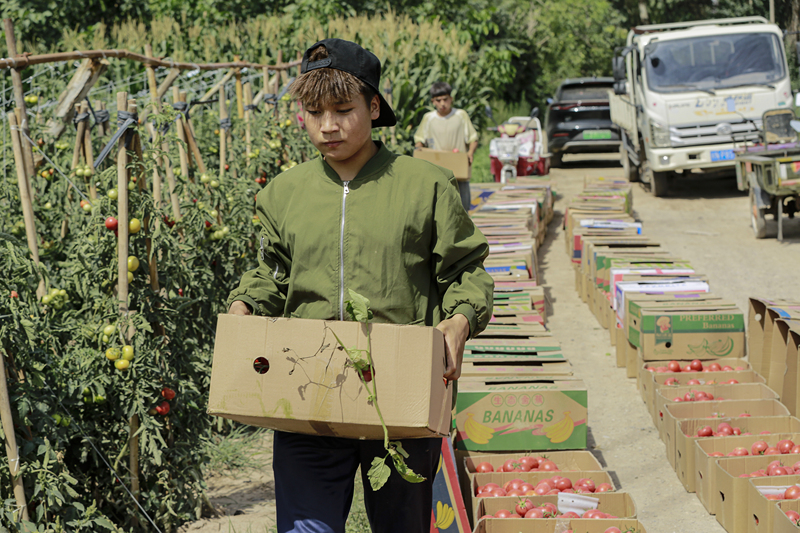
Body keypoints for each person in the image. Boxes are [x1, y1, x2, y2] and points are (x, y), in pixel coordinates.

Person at [226, 39, 493, 533]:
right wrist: (244, 305)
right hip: (305, 390)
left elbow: (466, 271)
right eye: (314, 113)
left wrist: (459, 322)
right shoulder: (283, 194)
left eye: (343, 110)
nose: (328, 126)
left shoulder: (426, 186)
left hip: (402, 397)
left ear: (373, 107)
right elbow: (271, 272)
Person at [414, 82, 479, 211]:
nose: (442, 104)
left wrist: (470, 153)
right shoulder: (429, 118)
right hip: (437, 169)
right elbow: (419, 141)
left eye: (445, 99)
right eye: (438, 100)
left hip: (458, 168)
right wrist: (420, 150)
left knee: (462, 207)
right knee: (439, 207)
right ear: (433, 101)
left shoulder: (460, 116)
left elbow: (473, 138)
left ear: (451, 99)